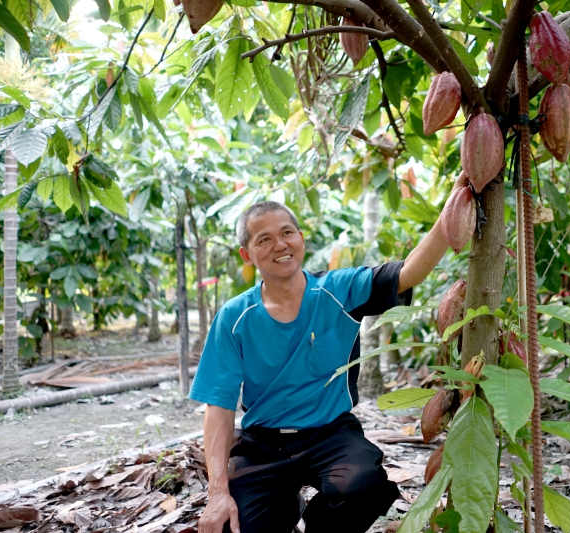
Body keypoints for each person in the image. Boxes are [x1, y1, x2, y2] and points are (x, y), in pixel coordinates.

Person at [191, 183, 457, 533]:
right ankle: (284, 502)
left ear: (301, 238)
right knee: (232, 523)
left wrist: (456, 199)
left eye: (287, 233)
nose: (280, 245)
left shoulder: (338, 290)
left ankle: (310, 528)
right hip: (263, 443)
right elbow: (219, 407)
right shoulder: (235, 316)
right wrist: (217, 492)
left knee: (363, 486)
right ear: (247, 255)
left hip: (330, 434)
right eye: (264, 239)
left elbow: (410, 272)